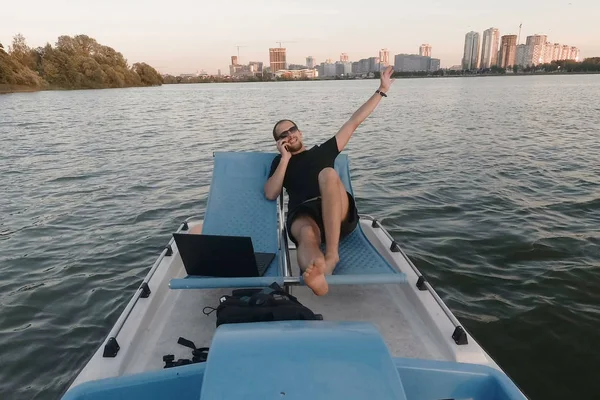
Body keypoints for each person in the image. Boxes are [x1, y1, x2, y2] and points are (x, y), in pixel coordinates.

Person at [264, 66, 395, 296]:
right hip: (304, 215)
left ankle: (332, 255)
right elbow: (271, 194)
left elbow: (354, 122)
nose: (289, 135)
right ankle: (319, 274)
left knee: (327, 174)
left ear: (300, 132)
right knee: (305, 234)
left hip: (337, 212)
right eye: (282, 135)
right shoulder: (279, 163)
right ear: (279, 143)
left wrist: (381, 90)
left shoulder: (323, 151)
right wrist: (285, 159)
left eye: (291, 129)